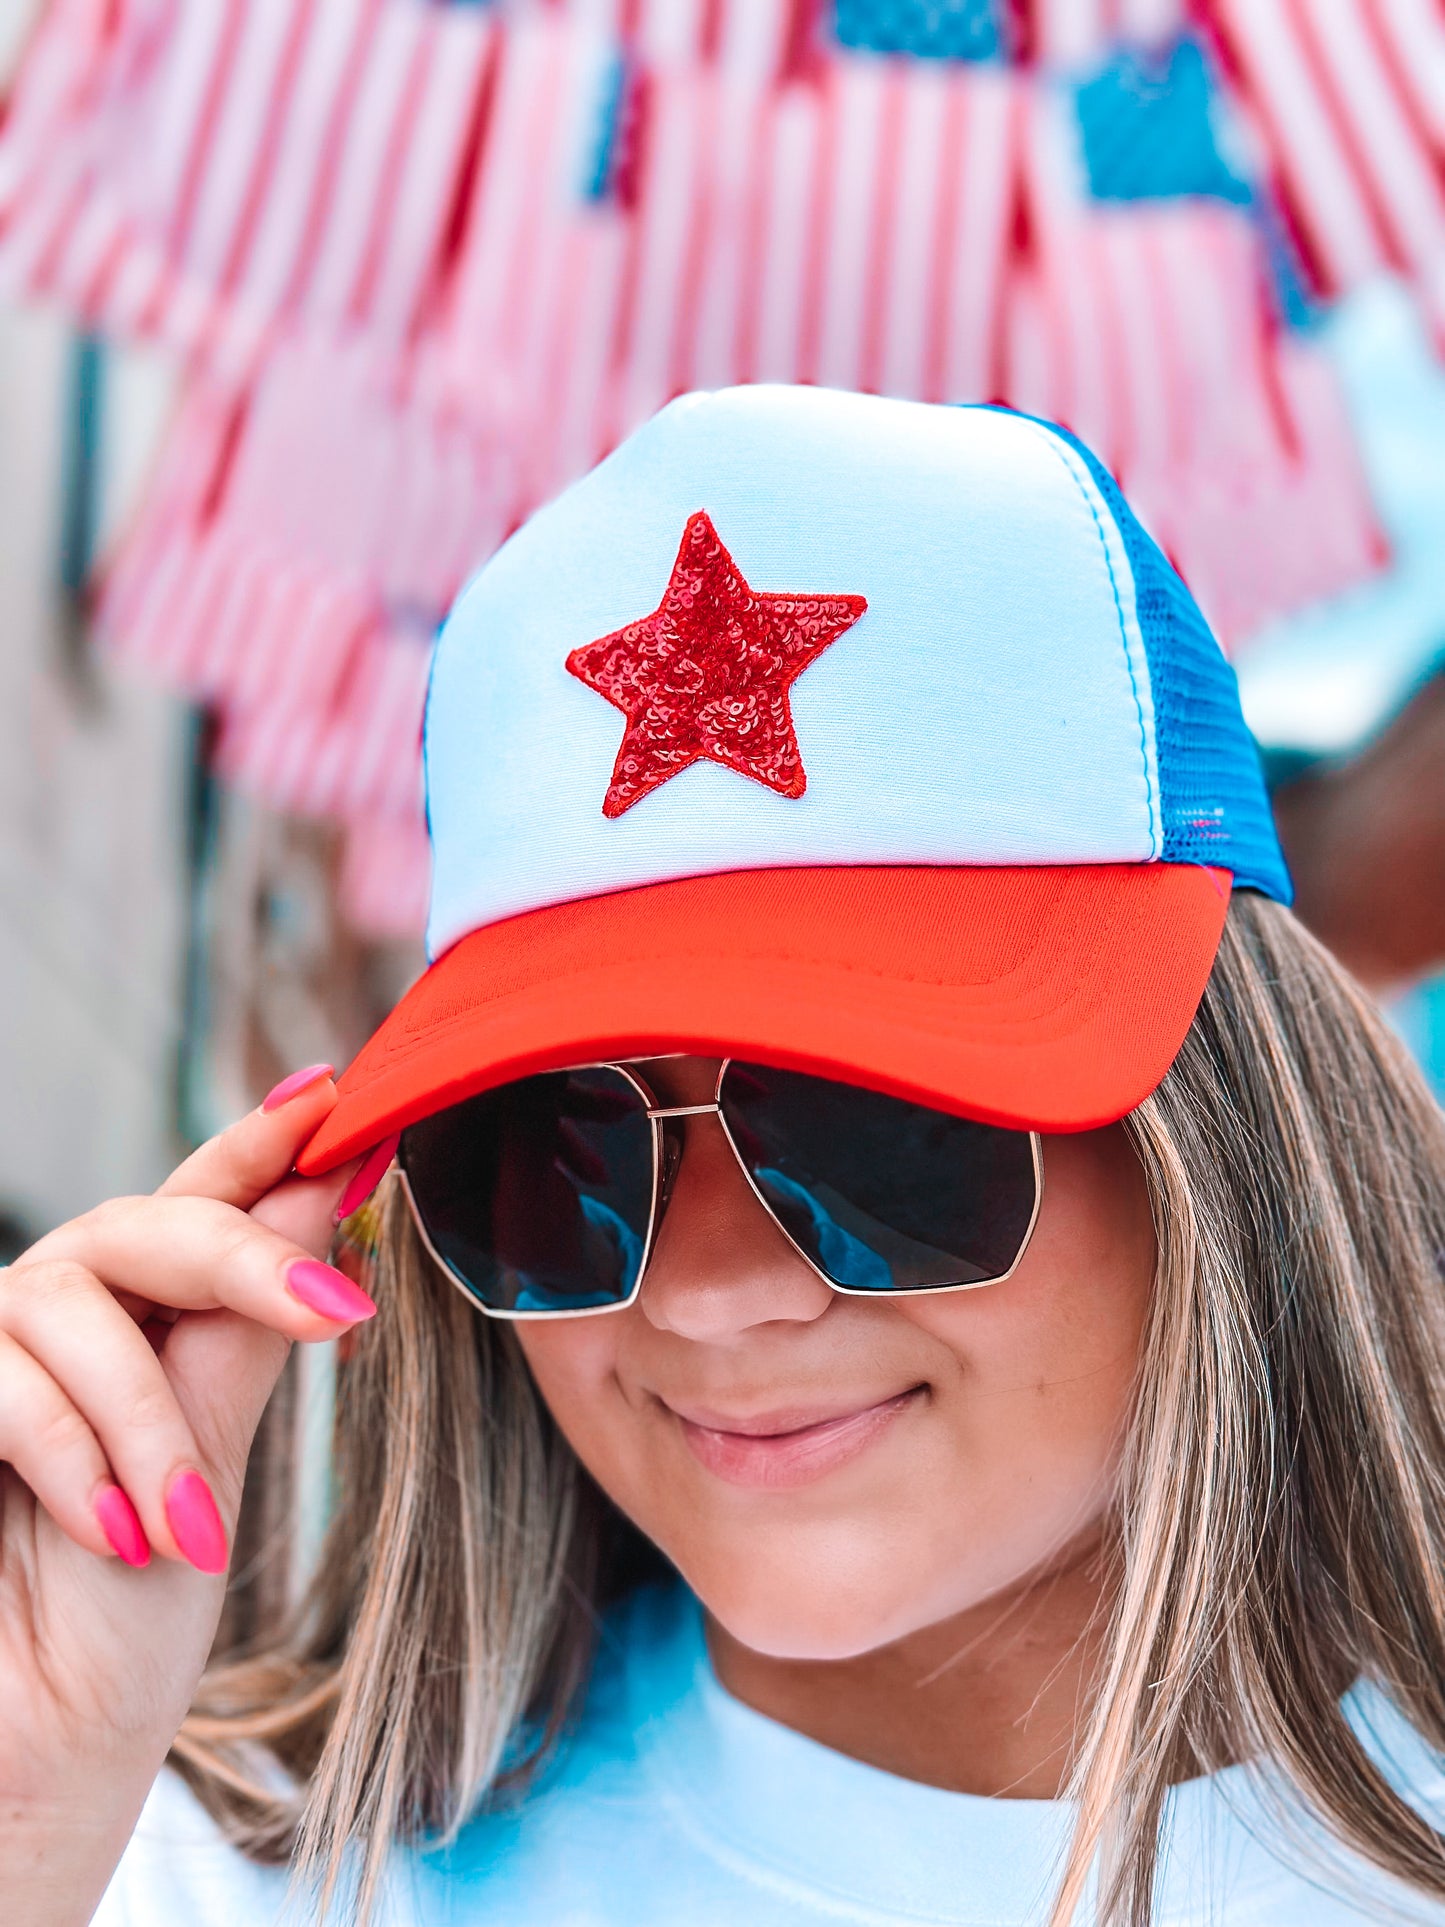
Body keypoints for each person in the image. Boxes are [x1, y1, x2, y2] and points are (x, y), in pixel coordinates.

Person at [4, 387, 1445, 1927]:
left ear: (1221, 1134)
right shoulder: (167, 1865)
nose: (706, 1296)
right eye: (549, 1153)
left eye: (878, 1118)